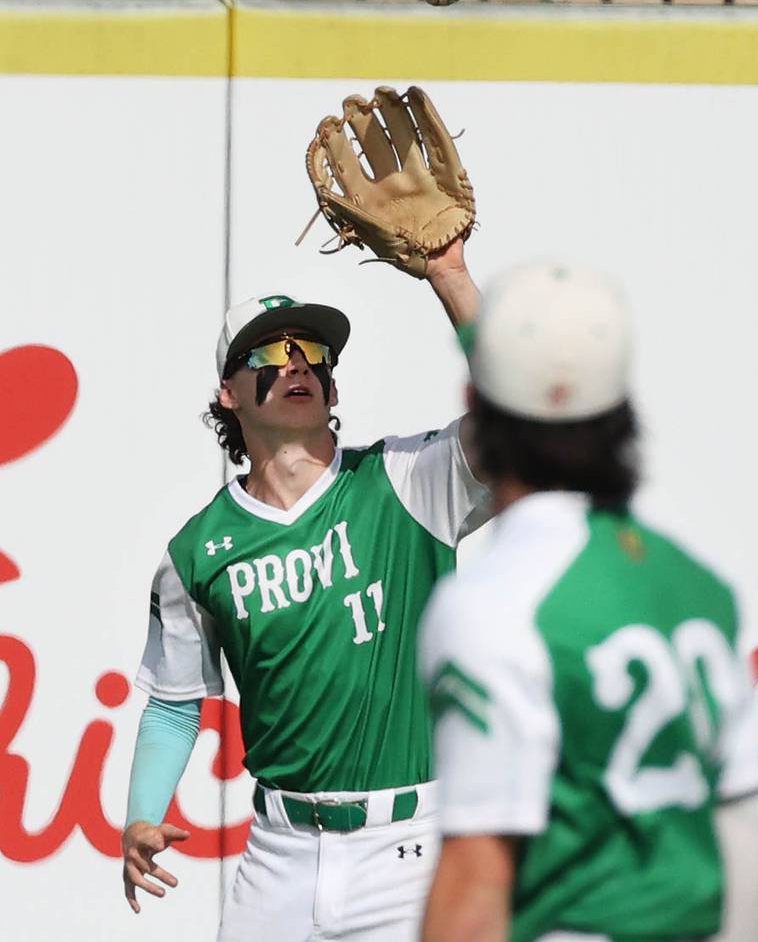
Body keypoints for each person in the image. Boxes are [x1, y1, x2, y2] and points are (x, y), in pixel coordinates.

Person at [121, 238, 490, 942]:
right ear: (228, 395)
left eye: (312, 352)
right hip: (279, 856)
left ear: (333, 384)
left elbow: (526, 418)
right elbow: (174, 707)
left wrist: (451, 278)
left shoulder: (405, 483)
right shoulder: (197, 551)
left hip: (412, 849)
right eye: (268, 353)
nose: (296, 362)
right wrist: (142, 811)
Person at [419, 263, 758, 942]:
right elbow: (739, 836)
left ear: (475, 403)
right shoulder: (697, 584)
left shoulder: (490, 605)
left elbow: (477, 880)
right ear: (618, 411)